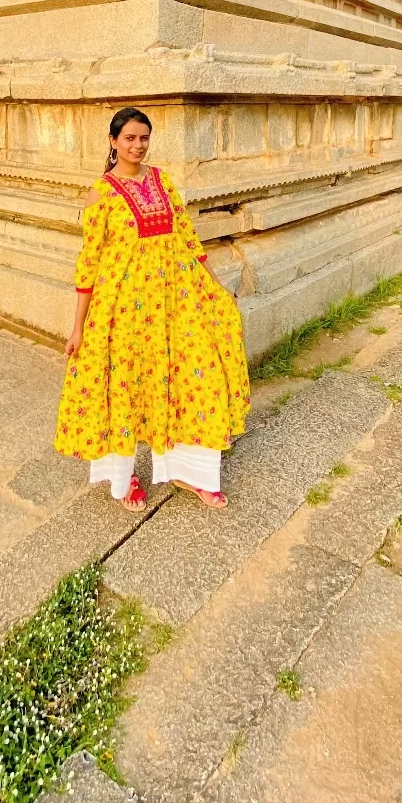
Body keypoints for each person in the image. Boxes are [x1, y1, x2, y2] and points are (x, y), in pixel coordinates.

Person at [55, 106, 251, 511]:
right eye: (129, 138)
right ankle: (124, 480)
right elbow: (89, 261)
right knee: (124, 386)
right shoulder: (101, 194)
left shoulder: (162, 180)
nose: (137, 145)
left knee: (193, 376)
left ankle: (190, 471)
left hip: (175, 300)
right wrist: (78, 326)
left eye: (143, 137)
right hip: (124, 307)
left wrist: (214, 288)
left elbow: (188, 238)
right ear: (113, 142)